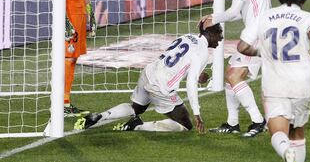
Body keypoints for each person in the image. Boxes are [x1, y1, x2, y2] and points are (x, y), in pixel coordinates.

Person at [237, 0, 310, 162]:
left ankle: (285, 152)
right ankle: (293, 156)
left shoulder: (264, 16)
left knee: (278, 131)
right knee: (297, 131)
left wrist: (262, 52)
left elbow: (242, 47)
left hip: (275, 85)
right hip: (301, 84)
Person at [74, 23, 223, 133]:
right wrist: (197, 113)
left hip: (149, 71)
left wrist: (198, 75)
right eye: (219, 33)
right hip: (162, 85)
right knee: (186, 125)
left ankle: (100, 116)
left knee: (136, 108)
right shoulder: (203, 52)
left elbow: (180, 60)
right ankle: (138, 126)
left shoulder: (187, 36)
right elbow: (190, 84)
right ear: (210, 33)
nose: (221, 38)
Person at [200, 0, 271, 137]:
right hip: (256, 32)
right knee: (230, 75)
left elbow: (233, 12)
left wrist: (213, 18)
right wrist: (214, 18)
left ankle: (258, 121)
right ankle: (233, 123)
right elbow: (242, 13)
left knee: (234, 76)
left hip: (257, 35)